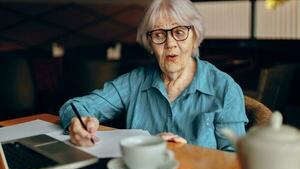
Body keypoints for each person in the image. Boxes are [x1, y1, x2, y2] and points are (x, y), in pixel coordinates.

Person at [59, 0, 248, 151]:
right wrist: (78, 122)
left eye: (179, 32)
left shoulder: (225, 89)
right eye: (159, 35)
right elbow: (76, 106)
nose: (170, 43)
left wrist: (187, 154)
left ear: (195, 37)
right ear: (150, 44)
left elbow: (235, 160)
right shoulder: (135, 81)